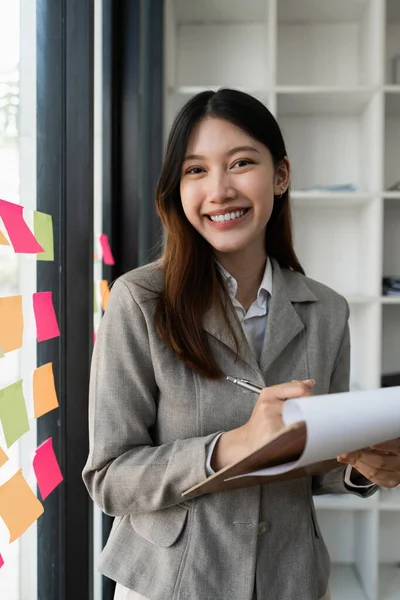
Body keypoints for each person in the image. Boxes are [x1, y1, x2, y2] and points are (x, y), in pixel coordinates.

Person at [82, 88, 400, 600]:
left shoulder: (328, 311)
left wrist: (369, 468)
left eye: (241, 163)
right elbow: (110, 479)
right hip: (170, 583)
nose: (220, 189)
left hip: (288, 579)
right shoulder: (139, 300)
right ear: (177, 189)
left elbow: (319, 468)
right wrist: (233, 445)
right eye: (195, 170)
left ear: (280, 176)